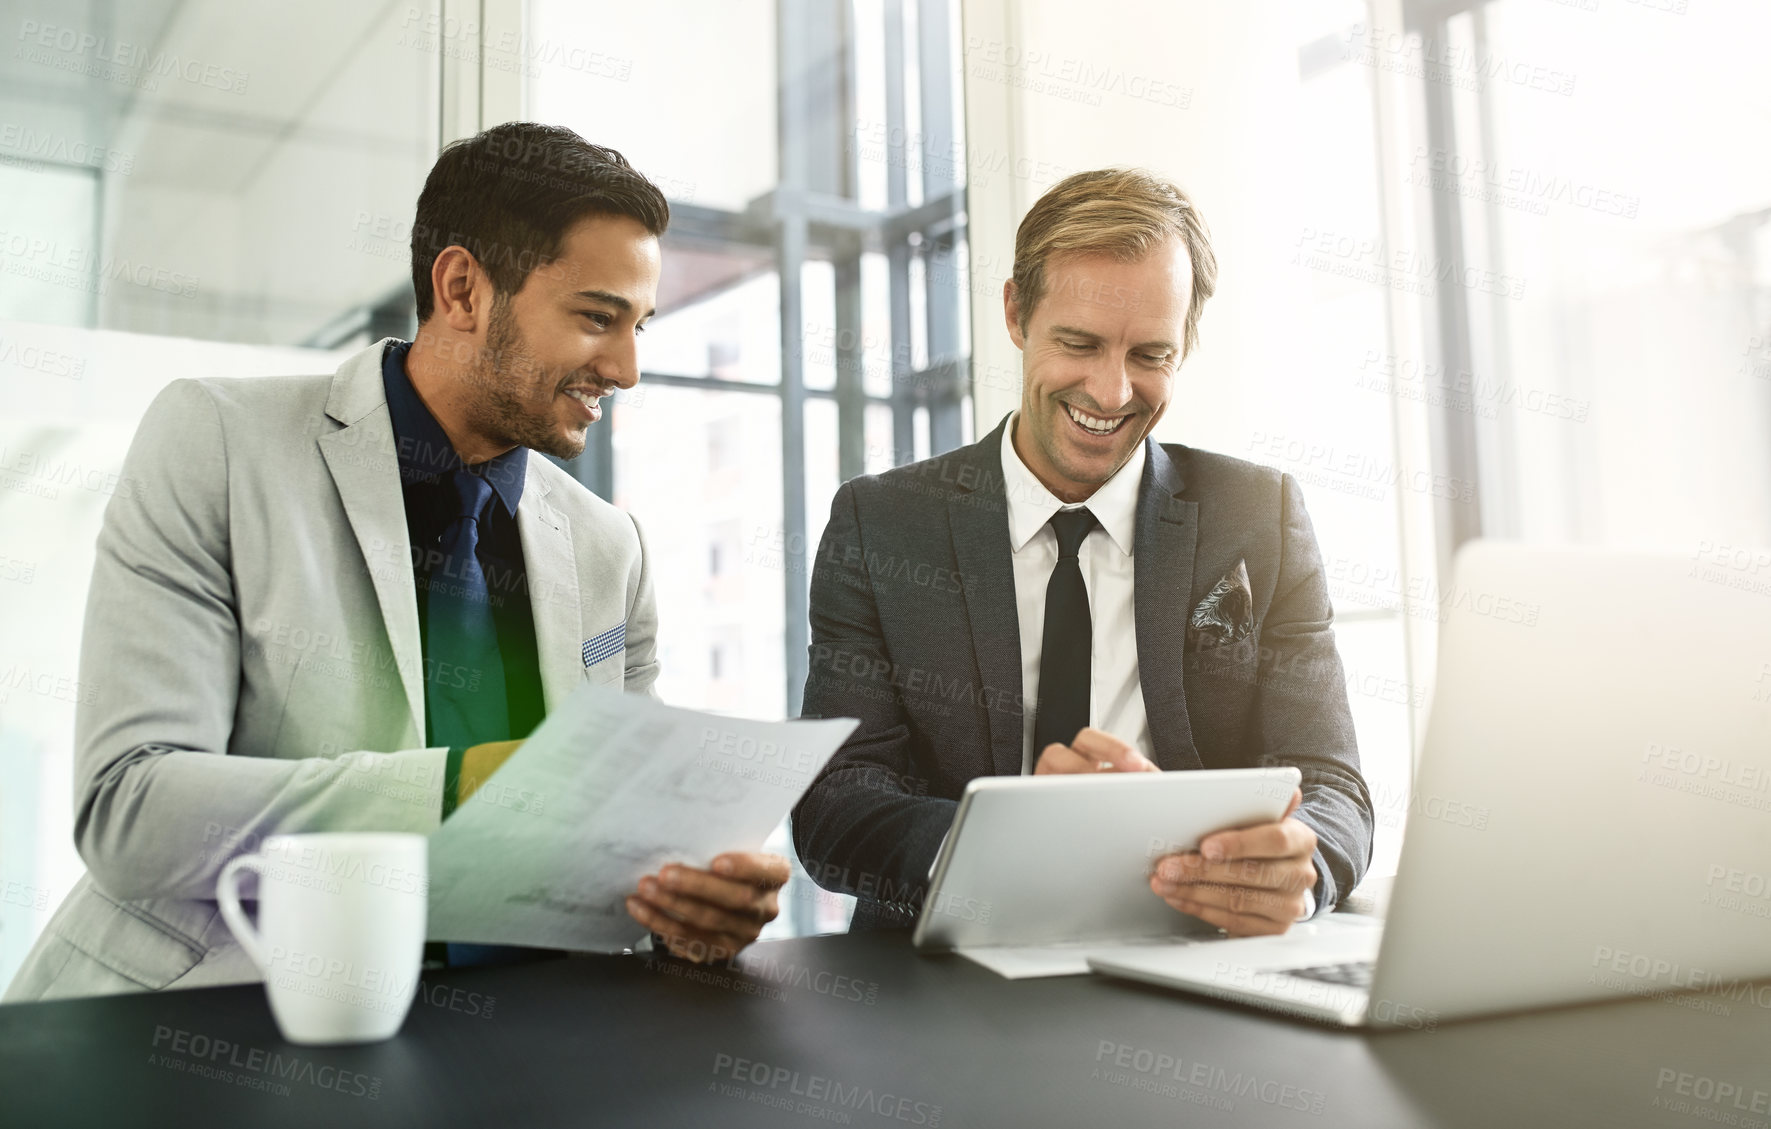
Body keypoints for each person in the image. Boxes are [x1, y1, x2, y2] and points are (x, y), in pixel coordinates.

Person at [5, 123, 785, 1002]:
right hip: (225, 1021)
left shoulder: (610, 547)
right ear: (461, 288)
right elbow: (131, 810)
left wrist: (682, 900)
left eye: (639, 325)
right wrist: (462, 788)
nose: (628, 368)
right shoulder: (218, 442)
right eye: (597, 317)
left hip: (531, 1031)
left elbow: (623, 840)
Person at [793, 168, 1373, 936]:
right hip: (948, 968)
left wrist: (1299, 871)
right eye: (1079, 343)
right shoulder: (881, 524)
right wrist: (999, 846)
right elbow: (836, 800)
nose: (1110, 392)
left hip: (1198, 956)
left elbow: (1332, 783)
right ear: (1014, 312)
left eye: (1150, 356)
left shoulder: (1258, 516)